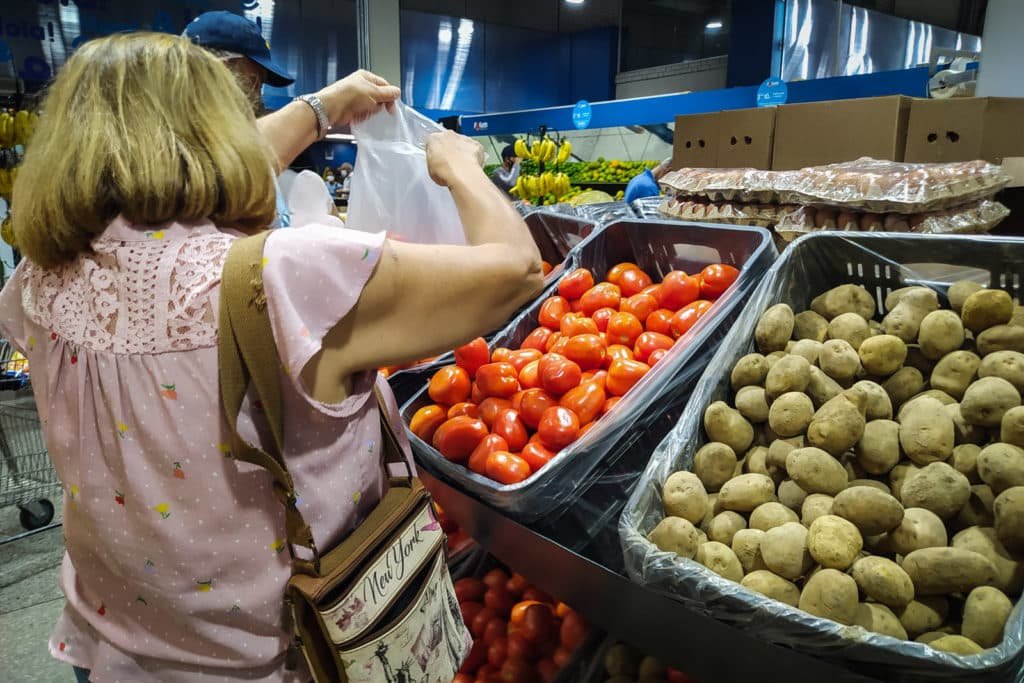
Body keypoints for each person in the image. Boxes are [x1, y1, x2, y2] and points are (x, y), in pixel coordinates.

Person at [2, 32, 543, 682]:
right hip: (284, 658)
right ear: (217, 133)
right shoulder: (279, 276)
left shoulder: (33, 284)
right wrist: (460, 166)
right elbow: (516, 272)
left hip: (112, 649)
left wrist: (324, 108)